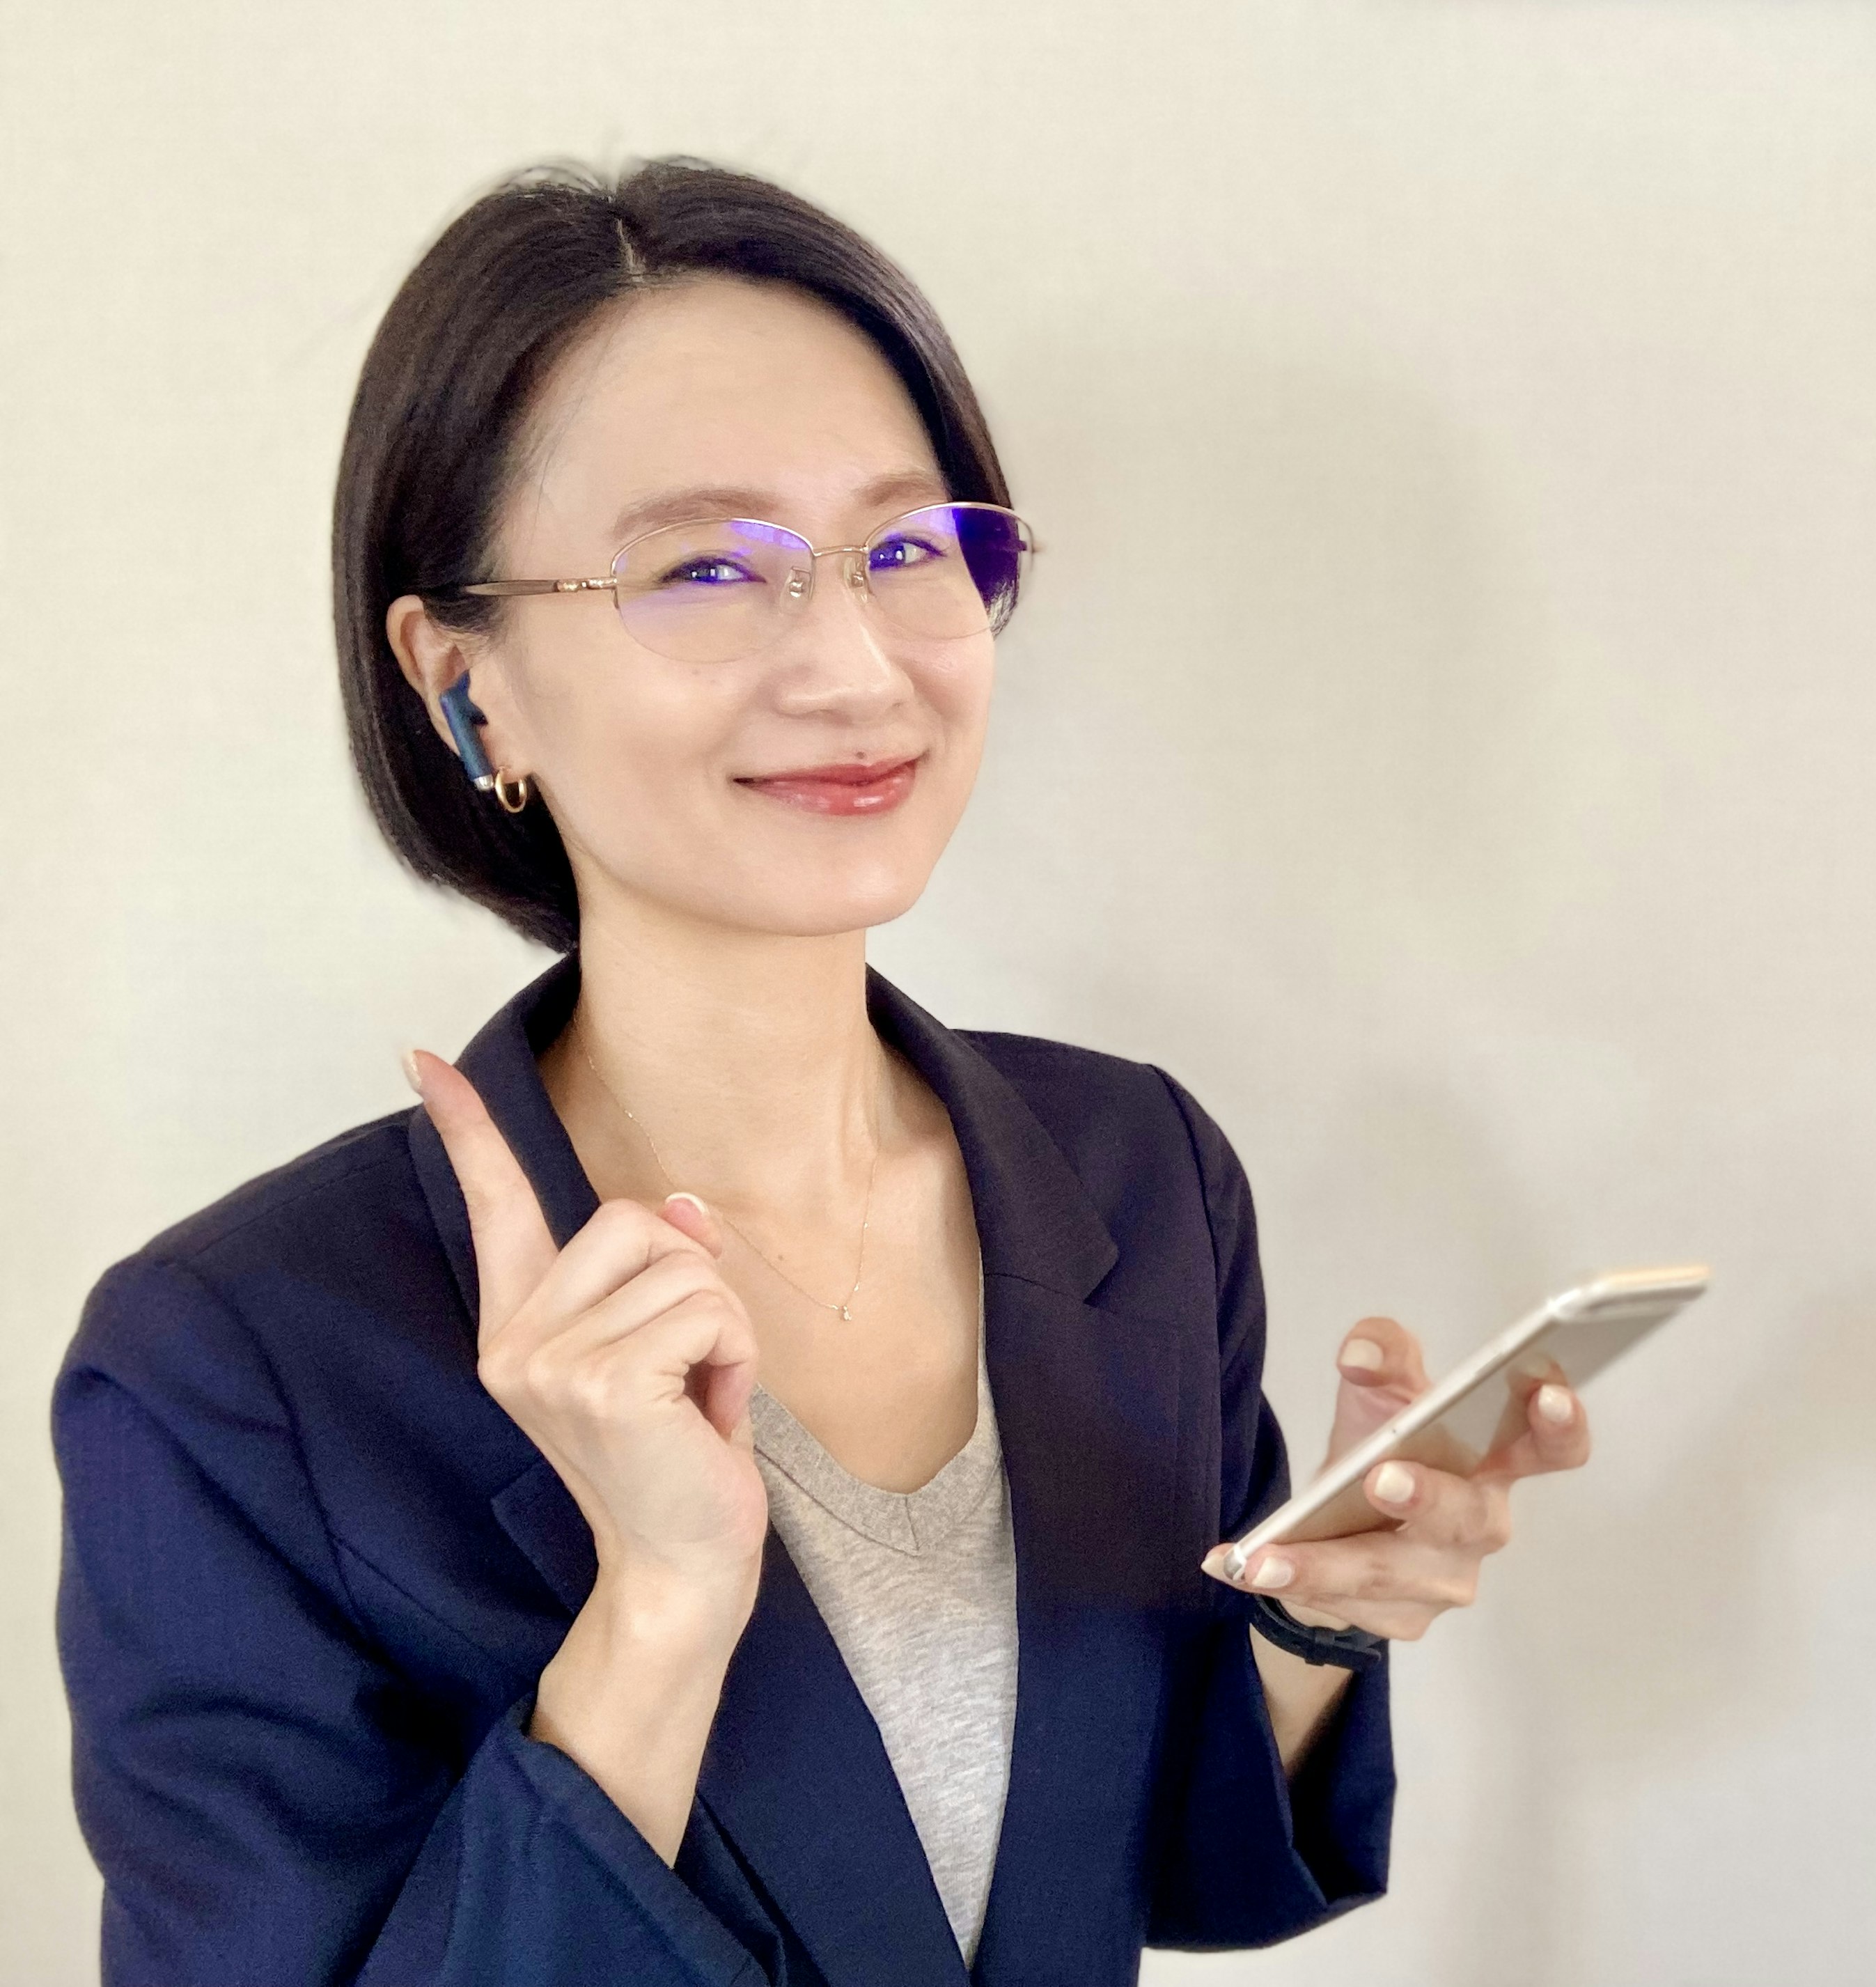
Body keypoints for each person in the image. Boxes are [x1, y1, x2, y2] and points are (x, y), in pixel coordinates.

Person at [50, 157, 1593, 1987]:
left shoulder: (1134, 1174)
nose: (858, 664)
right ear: (467, 688)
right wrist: (659, 1617)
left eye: (908, 549)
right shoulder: (232, 1366)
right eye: (708, 568)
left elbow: (1147, 1864)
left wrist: (1321, 1619)